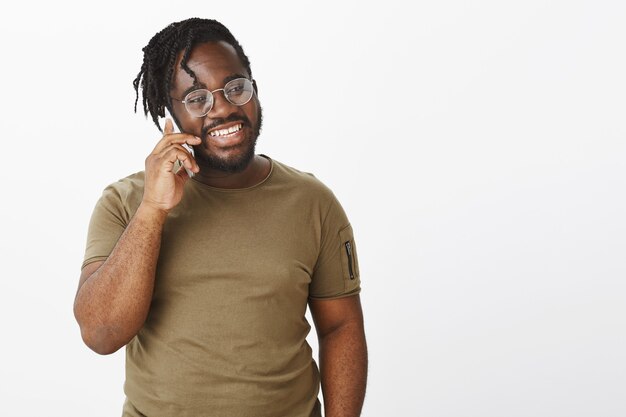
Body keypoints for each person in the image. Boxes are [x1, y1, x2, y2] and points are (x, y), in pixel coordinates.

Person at [73, 17, 367, 417]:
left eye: (235, 88)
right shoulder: (124, 202)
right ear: (169, 113)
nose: (225, 108)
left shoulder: (313, 202)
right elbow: (101, 333)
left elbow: (341, 328)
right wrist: (153, 210)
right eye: (197, 99)